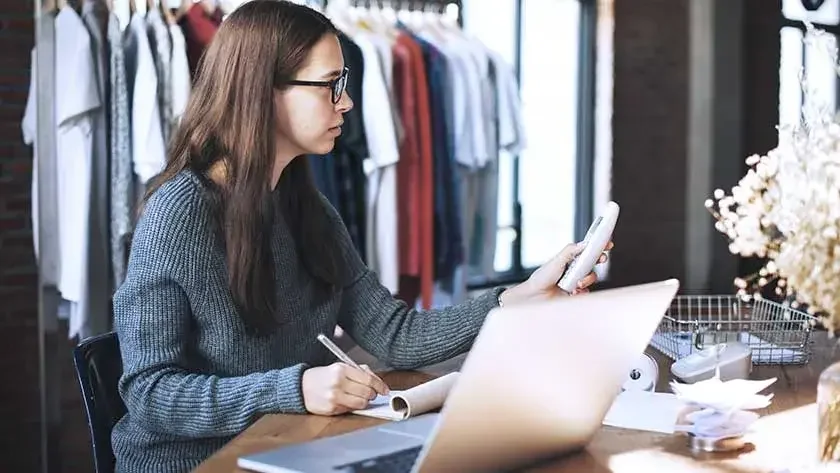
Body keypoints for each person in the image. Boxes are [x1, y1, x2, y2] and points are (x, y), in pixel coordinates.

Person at [110, 1, 611, 472]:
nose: (346, 102)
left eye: (343, 82)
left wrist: (517, 297)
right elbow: (150, 394)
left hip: (286, 447)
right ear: (263, 91)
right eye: (330, 84)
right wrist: (296, 389)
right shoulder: (180, 214)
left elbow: (393, 334)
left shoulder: (304, 207)